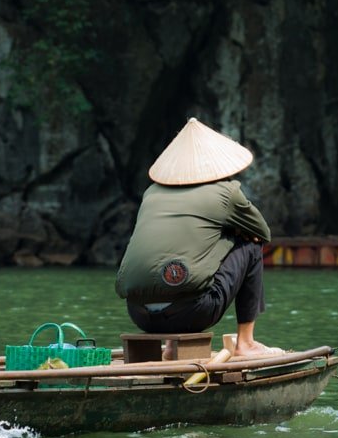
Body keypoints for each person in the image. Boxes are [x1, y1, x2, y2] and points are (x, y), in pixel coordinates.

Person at [115, 117, 281, 357]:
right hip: (192, 313)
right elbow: (262, 233)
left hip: (139, 315)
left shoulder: (151, 194)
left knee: (186, 250)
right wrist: (230, 233)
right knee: (251, 245)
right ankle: (246, 343)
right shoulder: (226, 192)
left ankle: (171, 348)